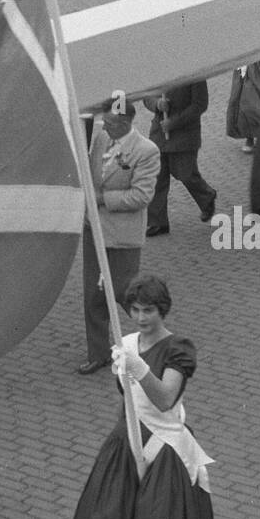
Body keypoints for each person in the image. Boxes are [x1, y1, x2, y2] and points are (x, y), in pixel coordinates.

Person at [55, 274, 214, 519]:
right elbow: (128, 402)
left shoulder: (178, 348)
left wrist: (139, 368)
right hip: (125, 445)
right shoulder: (126, 342)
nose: (141, 318)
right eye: (136, 310)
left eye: (149, 310)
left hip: (165, 453)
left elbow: (165, 398)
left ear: (163, 310)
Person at [77, 101, 160, 375]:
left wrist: (103, 199)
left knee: (126, 292)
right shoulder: (102, 138)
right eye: (105, 122)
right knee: (94, 294)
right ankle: (98, 353)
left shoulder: (147, 151)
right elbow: (92, 175)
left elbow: (141, 196)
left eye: (111, 124)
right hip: (94, 229)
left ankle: (155, 340)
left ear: (126, 123)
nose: (106, 128)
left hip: (123, 236)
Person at [146, 82, 216, 235]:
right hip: (160, 132)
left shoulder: (195, 75)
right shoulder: (157, 72)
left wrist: (174, 123)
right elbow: (147, 96)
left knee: (186, 174)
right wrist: (157, 104)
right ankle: (157, 221)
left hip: (185, 133)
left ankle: (206, 197)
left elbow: (199, 105)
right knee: (157, 177)